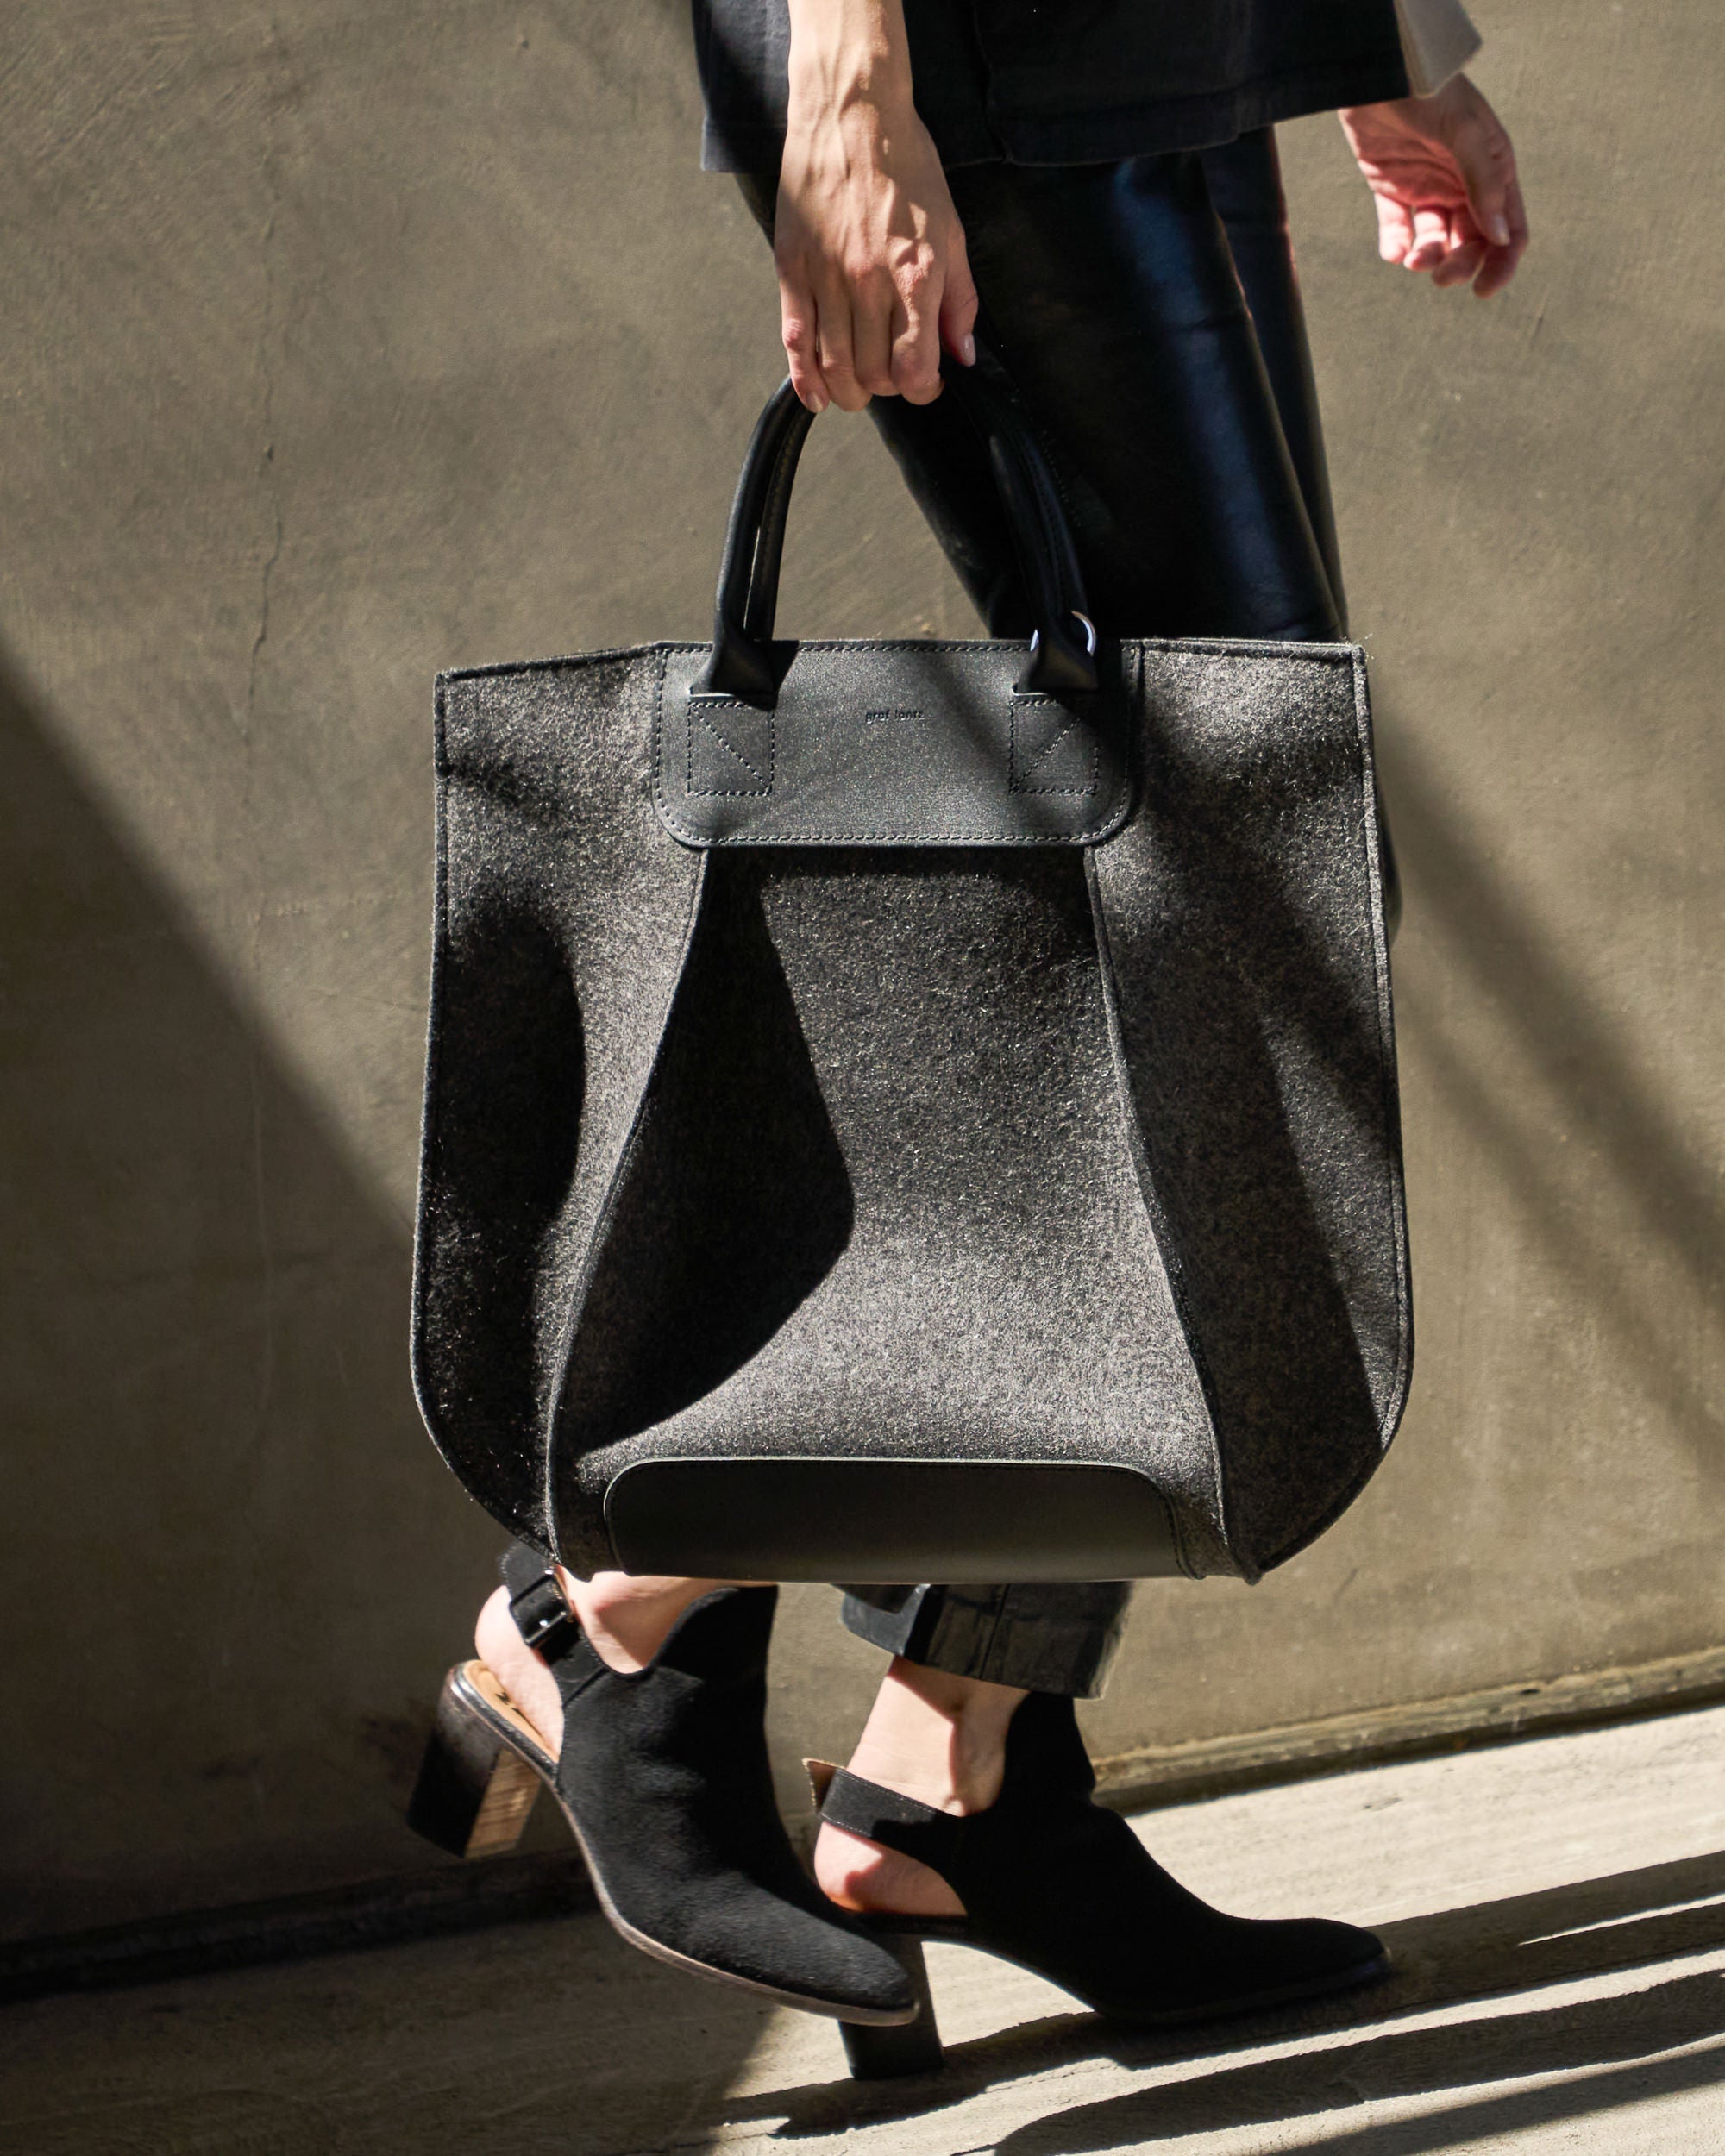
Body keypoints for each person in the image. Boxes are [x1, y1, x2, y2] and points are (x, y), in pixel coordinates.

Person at [417, 0, 1527, 2053]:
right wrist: (844, 73)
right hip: (985, 60)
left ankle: (957, 1762)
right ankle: (615, 1602)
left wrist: (1375, 42)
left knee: (1228, 888)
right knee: (1237, 905)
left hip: (1164, 47)